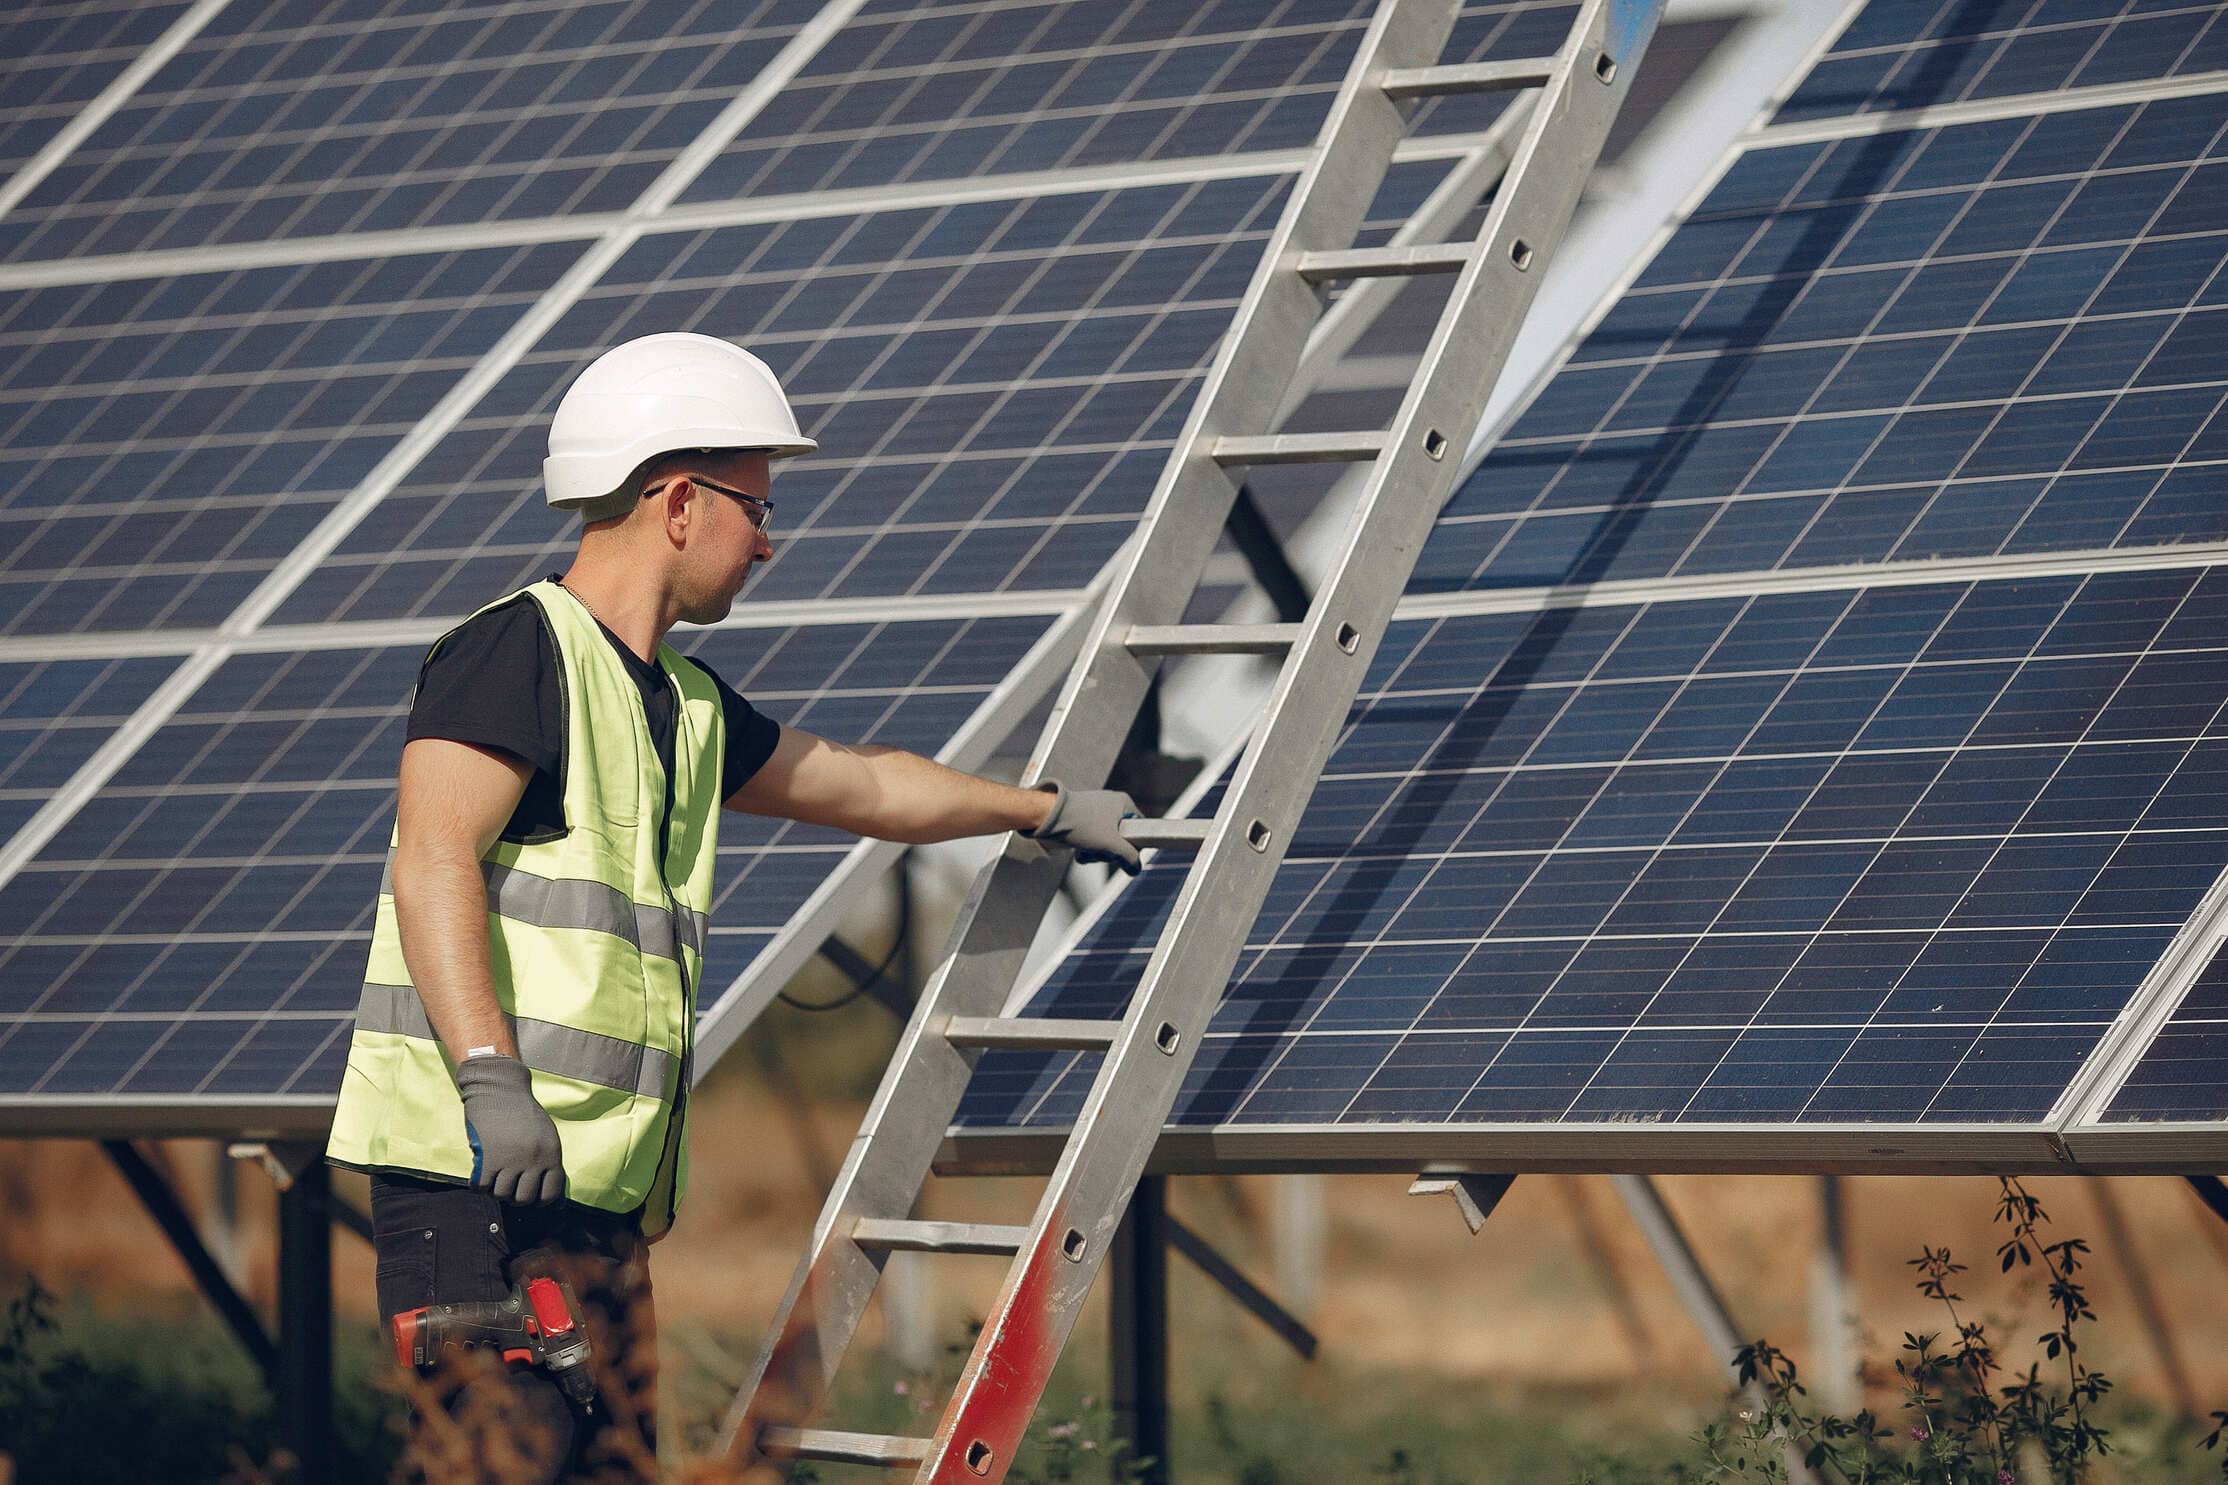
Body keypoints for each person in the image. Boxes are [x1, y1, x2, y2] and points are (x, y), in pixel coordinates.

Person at [324, 333, 1138, 1482]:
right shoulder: (518, 653)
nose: (769, 538)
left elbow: (864, 784)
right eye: (754, 507)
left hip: (592, 1198)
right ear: (674, 502)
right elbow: (432, 861)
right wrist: (488, 1080)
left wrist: (1039, 808)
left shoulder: (685, 707)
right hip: (475, 1184)